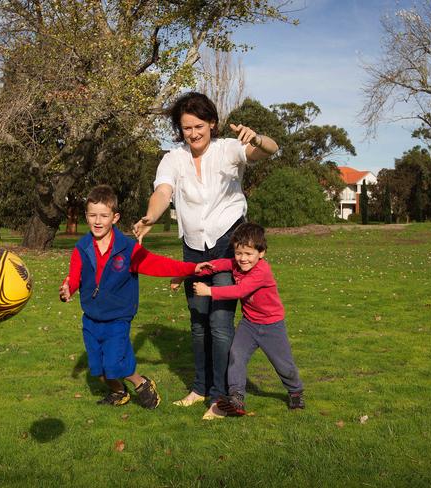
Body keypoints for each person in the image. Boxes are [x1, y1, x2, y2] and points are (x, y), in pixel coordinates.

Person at [133, 92, 278, 419]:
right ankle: (199, 387)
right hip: (193, 249)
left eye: (199, 125)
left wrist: (257, 138)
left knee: (220, 322)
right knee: (198, 321)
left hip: (227, 244)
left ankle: (220, 395)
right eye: (186, 128)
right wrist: (151, 217)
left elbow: (269, 150)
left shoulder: (228, 149)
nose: (193, 133)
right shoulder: (173, 159)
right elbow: (162, 192)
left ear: (212, 123)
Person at [59, 185, 212, 409]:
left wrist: (190, 268)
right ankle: (119, 392)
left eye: (104, 215)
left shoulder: (127, 249)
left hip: (118, 317)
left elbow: (158, 264)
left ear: (115, 217)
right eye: (93, 215)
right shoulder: (81, 248)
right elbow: (74, 277)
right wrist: (67, 289)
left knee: (113, 363)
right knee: (98, 370)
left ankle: (141, 383)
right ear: (86, 216)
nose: (98, 221)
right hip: (91, 318)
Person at [193, 222, 304, 416]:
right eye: (238, 253)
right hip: (249, 325)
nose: (242, 259)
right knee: (236, 356)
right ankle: (236, 398)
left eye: (248, 254)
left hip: (272, 326)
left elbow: (240, 290)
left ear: (261, 253)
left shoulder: (262, 271)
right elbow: (220, 265)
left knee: (283, 364)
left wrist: (209, 290)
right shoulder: (236, 264)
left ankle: (295, 391)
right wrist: (196, 270)